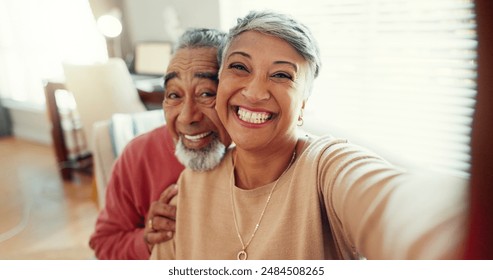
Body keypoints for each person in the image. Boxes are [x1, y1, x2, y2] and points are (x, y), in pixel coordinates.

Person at [151, 10, 468, 260]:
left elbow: (391, 202)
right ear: (221, 84)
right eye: (240, 67)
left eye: (281, 75)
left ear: (302, 106)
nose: (255, 91)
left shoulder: (327, 168)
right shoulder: (191, 185)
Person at [89, 28, 231, 259]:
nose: (187, 116)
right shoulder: (138, 155)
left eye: (206, 93)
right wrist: (147, 238)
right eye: (174, 95)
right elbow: (104, 243)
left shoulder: (258, 157)